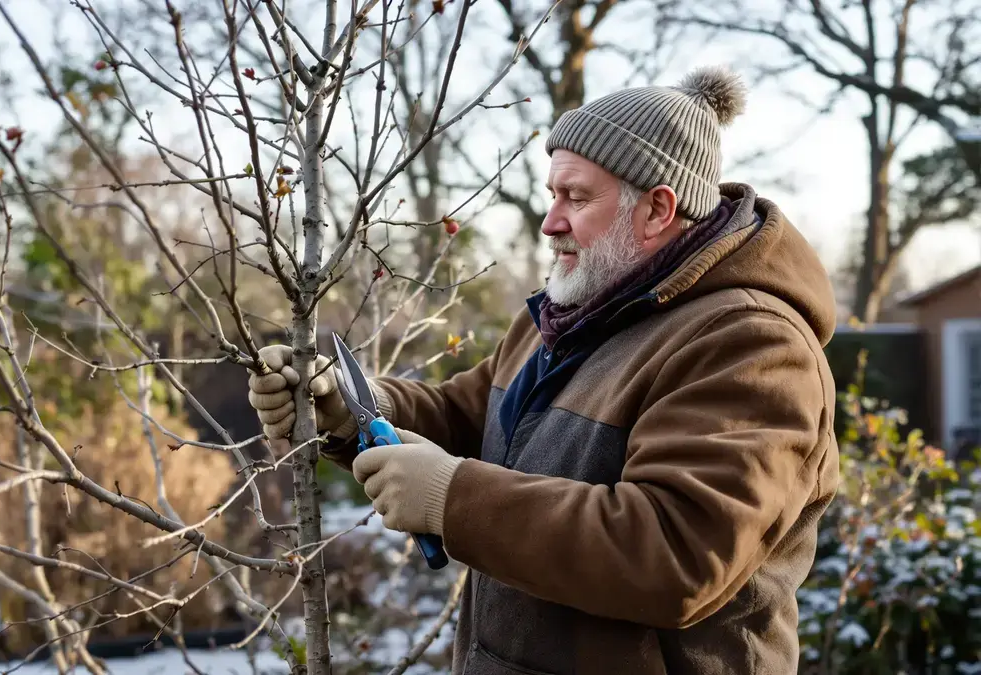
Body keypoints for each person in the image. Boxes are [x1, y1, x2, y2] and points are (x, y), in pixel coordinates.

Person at [246, 65, 839, 675]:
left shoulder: (751, 346)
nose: (550, 221)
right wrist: (350, 407)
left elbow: (677, 555)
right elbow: (471, 418)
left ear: (658, 209)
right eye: (553, 194)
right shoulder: (569, 313)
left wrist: (454, 498)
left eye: (576, 197)